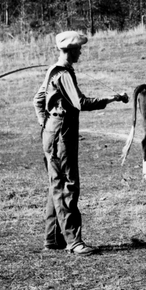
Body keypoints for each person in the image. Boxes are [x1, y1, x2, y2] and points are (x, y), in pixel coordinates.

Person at [33, 31, 126, 255]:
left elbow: (37, 100)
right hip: (62, 134)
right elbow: (81, 103)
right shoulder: (63, 74)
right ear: (70, 50)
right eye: (79, 48)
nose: (81, 51)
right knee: (67, 185)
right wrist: (111, 99)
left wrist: (45, 123)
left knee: (56, 184)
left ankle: (52, 238)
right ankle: (73, 241)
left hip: (53, 132)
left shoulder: (53, 71)